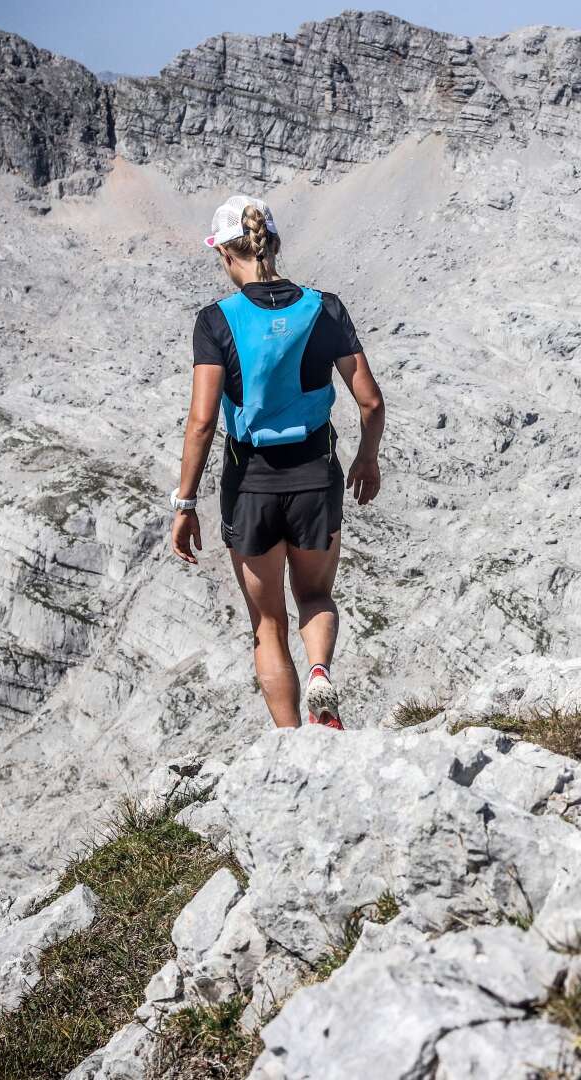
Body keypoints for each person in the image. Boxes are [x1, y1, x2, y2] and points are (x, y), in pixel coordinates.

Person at [169, 195, 385, 730]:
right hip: (317, 474)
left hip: (251, 485)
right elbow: (370, 401)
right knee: (315, 593)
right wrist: (367, 458)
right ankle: (319, 673)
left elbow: (201, 422)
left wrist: (185, 503)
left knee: (267, 624)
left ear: (224, 254)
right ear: (276, 243)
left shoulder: (216, 321)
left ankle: (290, 740)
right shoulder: (325, 307)